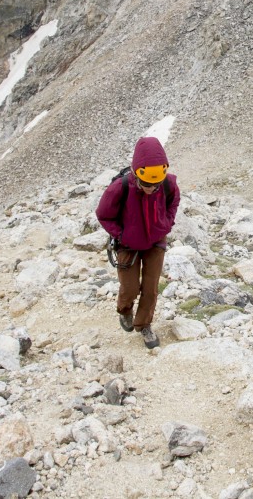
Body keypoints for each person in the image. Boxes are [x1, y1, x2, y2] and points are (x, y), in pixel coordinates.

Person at [95, 136, 180, 349]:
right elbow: (104, 215)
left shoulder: (168, 184)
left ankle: (144, 325)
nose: (151, 189)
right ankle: (125, 310)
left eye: (155, 185)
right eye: (146, 185)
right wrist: (121, 235)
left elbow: (173, 203)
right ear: (136, 175)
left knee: (151, 288)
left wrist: (166, 224)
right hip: (128, 245)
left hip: (155, 242)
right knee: (130, 287)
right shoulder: (120, 187)